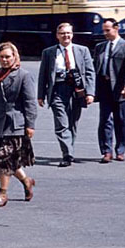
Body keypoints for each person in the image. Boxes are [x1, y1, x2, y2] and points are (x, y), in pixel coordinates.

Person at [0, 42, 37, 208]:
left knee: (4, 161)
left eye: (8, 57)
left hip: (16, 125)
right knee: (10, 160)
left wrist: (30, 125)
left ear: (15, 57)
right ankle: (27, 181)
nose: (4, 60)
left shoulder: (23, 76)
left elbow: (30, 103)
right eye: (1, 57)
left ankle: (2, 194)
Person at [37, 22, 95, 167]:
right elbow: (43, 74)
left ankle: (70, 150)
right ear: (57, 36)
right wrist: (40, 95)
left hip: (77, 90)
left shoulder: (83, 51)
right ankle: (67, 154)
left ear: (72, 34)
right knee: (62, 123)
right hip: (57, 89)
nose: (66, 36)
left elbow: (89, 73)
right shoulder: (48, 52)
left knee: (72, 123)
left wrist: (90, 93)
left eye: (68, 33)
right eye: (62, 33)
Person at [93, 19, 125, 162]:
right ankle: (106, 151)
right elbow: (94, 69)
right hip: (104, 88)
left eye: (108, 30)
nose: (105, 33)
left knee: (121, 120)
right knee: (105, 120)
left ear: (116, 28)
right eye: (104, 30)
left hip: (121, 90)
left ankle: (120, 150)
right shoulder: (100, 47)